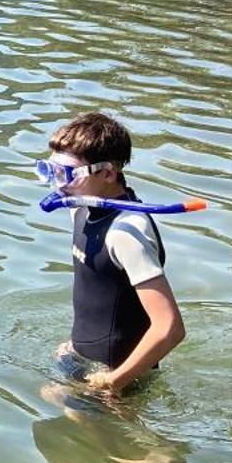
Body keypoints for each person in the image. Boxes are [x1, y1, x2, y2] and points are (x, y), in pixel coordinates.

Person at [42, 111, 186, 396]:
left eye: (67, 173)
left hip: (118, 376)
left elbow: (170, 327)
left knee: (102, 437)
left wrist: (115, 380)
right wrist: (75, 347)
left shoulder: (126, 233)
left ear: (108, 173)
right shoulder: (81, 207)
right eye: (51, 170)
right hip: (81, 359)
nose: (58, 183)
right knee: (51, 405)